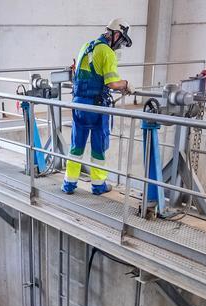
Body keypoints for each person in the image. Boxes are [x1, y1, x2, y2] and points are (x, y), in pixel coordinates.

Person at [62, 19, 135, 196]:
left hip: (78, 104)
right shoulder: (107, 53)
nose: (120, 46)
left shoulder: (86, 46)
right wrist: (125, 84)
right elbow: (111, 83)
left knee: (76, 146)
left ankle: (69, 184)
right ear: (116, 34)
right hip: (96, 107)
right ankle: (98, 185)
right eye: (121, 41)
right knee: (98, 147)